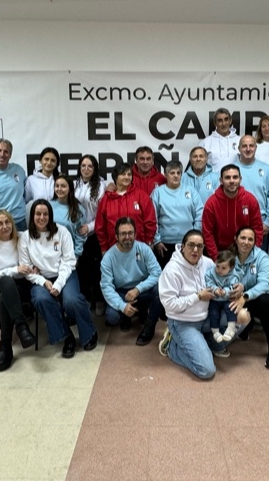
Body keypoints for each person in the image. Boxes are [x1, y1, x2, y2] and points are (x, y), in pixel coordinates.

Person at [19, 200, 97, 359]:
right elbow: (26, 268)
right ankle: (66, 336)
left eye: (45, 214)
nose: (42, 217)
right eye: (38, 214)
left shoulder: (62, 232)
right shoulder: (25, 238)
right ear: (32, 216)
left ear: (50, 215)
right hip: (40, 278)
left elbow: (69, 261)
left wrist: (59, 283)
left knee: (72, 300)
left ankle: (89, 332)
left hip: (65, 275)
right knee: (41, 299)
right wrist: (44, 282)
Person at [0, 210, 37, 372]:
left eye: (7, 222)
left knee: (8, 294)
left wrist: (34, 267)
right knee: (6, 282)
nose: (5, 227)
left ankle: (5, 347)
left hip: (21, 285)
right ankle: (20, 326)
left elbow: (33, 258)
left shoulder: (21, 238)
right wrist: (14, 270)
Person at [157, 230, 219, 379]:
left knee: (241, 318)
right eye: (191, 245)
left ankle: (201, 345)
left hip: (205, 318)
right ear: (182, 247)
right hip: (183, 323)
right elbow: (170, 304)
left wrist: (226, 290)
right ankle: (172, 347)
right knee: (207, 370)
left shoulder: (208, 263)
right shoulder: (172, 270)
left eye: (199, 246)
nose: (195, 250)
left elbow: (219, 282)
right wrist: (198, 296)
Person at [100, 217, 163, 345]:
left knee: (159, 289)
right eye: (123, 233)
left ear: (135, 234)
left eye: (130, 233)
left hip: (141, 289)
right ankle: (126, 314)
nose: (127, 237)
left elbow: (157, 273)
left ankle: (149, 326)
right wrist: (122, 306)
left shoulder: (144, 249)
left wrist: (138, 289)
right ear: (116, 236)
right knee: (112, 317)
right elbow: (106, 287)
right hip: (121, 292)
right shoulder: (108, 257)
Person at [229, 227, 269, 369]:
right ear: (236, 239)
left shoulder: (262, 257)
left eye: (250, 239)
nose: (246, 242)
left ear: (254, 242)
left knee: (266, 301)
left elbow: (264, 284)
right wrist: (235, 289)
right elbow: (223, 279)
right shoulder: (228, 256)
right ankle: (246, 327)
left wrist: (245, 295)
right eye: (243, 238)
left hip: (257, 299)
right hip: (235, 299)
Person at [201, 164, 264, 259]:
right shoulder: (211, 203)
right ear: (221, 181)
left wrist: (253, 255)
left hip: (245, 250)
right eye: (227, 178)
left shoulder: (250, 200)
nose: (232, 181)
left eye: (235, 177)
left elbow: (257, 229)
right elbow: (207, 233)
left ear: (240, 179)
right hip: (221, 252)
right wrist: (216, 258)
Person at [95, 162, 157, 253]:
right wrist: (104, 247)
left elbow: (150, 221)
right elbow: (100, 227)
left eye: (129, 174)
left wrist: (149, 241)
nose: (127, 177)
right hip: (114, 249)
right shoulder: (106, 199)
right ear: (116, 177)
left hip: (139, 248)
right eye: (123, 174)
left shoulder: (141, 195)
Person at [151, 161, 203, 268]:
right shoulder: (158, 193)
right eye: (172, 173)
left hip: (189, 243)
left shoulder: (191, 191)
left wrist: (195, 235)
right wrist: (156, 240)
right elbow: (152, 218)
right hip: (164, 245)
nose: (175, 176)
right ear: (165, 175)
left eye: (178, 173)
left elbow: (199, 214)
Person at [74, 155, 107, 315]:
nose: (86, 169)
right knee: (82, 269)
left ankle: (100, 300)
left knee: (97, 269)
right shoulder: (74, 184)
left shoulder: (101, 186)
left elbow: (102, 213)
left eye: (90, 166)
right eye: (83, 166)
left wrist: (91, 227)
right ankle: (86, 298)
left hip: (94, 234)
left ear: (94, 169)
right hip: (77, 235)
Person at [235, 135, 269, 249]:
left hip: (260, 225)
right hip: (236, 226)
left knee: (258, 263)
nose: (248, 149)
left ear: (256, 148)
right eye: (244, 146)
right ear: (239, 148)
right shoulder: (231, 170)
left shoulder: (266, 169)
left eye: (251, 146)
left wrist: (268, 222)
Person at [205, 250, 241, 343]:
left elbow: (233, 287)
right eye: (218, 266)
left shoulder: (234, 275)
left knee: (231, 308)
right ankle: (215, 332)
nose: (219, 270)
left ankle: (231, 328)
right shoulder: (211, 272)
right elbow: (208, 282)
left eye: (223, 268)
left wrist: (226, 291)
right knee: (214, 313)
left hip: (227, 299)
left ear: (231, 267)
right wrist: (215, 289)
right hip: (214, 299)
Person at [51, 174, 86, 258]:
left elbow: (80, 235)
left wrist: (76, 255)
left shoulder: (78, 209)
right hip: (50, 254)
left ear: (70, 188)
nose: (59, 189)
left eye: (63, 186)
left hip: (69, 254)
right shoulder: (48, 206)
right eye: (57, 186)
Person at [199, 107, 239, 174]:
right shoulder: (205, 143)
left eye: (226, 119)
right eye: (220, 120)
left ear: (230, 121)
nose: (223, 124)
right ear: (215, 123)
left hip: (234, 182)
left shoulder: (239, 141)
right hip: (214, 183)